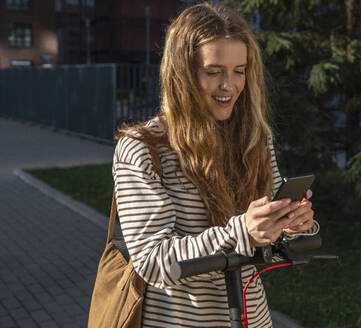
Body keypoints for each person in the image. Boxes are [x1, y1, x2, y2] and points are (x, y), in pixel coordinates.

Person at [113, 2, 319, 327]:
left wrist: (291, 224)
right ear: (182, 72)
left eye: (240, 71)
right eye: (213, 72)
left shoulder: (254, 138)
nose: (230, 85)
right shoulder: (142, 147)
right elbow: (152, 262)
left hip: (251, 317)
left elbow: (265, 236)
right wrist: (243, 231)